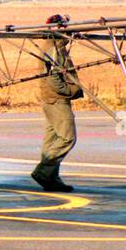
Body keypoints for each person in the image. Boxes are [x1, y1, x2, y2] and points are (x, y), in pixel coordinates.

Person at [31, 15, 82, 192]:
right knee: (68, 138)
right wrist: (70, 91)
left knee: (52, 139)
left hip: (50, 99)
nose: (66, 30)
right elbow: (53, 78)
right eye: (63, 27)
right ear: (54, 29)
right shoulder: (53, 49)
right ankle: (44, 172)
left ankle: (52, 179)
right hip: (56, 100)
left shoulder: (55, 47)